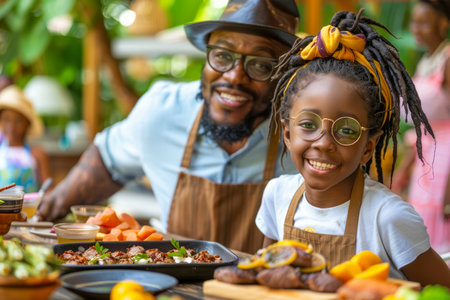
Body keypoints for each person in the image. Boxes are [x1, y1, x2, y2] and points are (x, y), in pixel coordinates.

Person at [38, 0, 300, 253]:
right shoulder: (163, 111)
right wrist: (45, 210)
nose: (234, 76)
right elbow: (106, 160)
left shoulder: (302, 137)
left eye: (261, 65)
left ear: (284, 74)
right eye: (222, 55)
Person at [255, 10, 450, 287]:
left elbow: (442, 290)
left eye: (346, 130)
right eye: (308, 124)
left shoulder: (387, 218)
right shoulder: (277, 196)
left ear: (369, 146)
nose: (323, 142)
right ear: (287, 132)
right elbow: (267, 279)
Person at [392, 0, 450, 255]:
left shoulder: (448, 59)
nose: (416, 28)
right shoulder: (427, 61)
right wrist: (404, 168)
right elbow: (421, 127)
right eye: (413, 22)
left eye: (423, 22)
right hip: (427, 158)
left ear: (443, 23)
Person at [0, 85, 51, 193]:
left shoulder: (37, 154)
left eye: (17, 121)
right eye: (6, 119)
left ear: (27, 124)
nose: (11, 127)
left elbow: (48, 190)